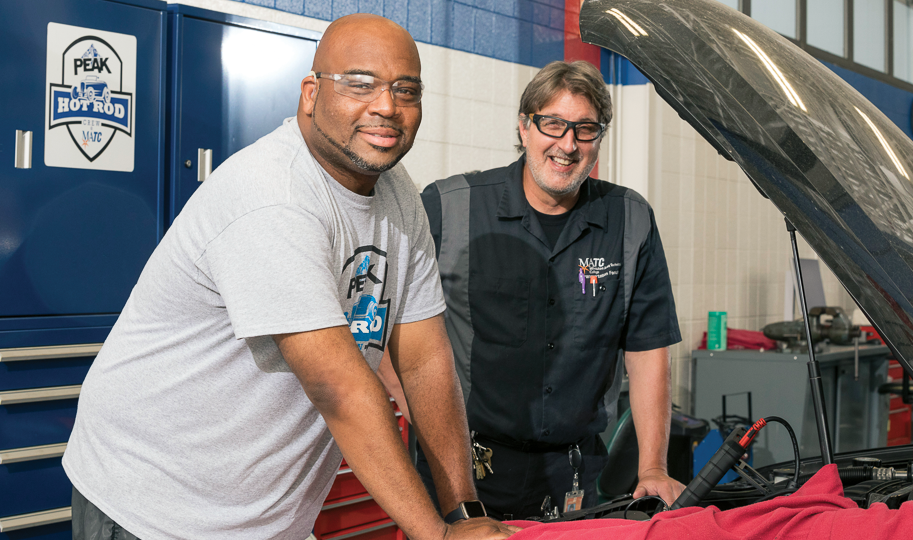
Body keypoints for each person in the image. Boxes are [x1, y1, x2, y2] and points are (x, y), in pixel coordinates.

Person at [62, 14, 518, 540]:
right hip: (156, 504)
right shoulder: (271, 195)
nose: (386, 106)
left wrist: (462, 511)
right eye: (360, 84)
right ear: (310, 93)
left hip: (263, 516)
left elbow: (423, 358)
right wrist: (434, 535)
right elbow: (339, 386)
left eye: (405, 89)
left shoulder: (397, 193)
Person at [413, 60, 685, 519]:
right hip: (461, 469)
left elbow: (647, 349)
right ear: (524, 127)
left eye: (585, 129)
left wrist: (653, 466)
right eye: (553, 124)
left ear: (600, 138)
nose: (567, 144)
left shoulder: (630, 220)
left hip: (574, 474)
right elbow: (396, 335)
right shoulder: (448, 207)